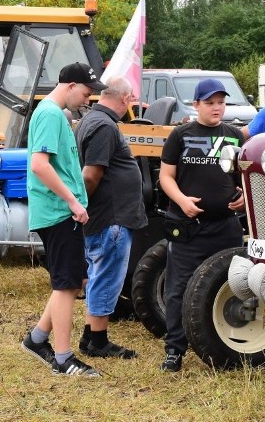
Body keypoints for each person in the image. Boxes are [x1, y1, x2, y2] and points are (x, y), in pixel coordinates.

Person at [21, 61, 107, 377]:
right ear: (70, 85)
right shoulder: (49, 114)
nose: (88, 99)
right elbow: (40, 165)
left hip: (61, 212)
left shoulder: (56, 115)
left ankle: (37, 339)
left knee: (68, 281)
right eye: (86, 93)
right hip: (58, 212)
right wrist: (73, 201)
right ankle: (63, 358)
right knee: (66, 284)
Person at [158, 79, 245, 372]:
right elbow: (165, 177)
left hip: (226, 226)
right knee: (178, 288)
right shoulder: (180, 135)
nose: (216, 107)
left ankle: (231, 344)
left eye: (220, 102)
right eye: (210, 103)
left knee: (233, 284)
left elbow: (244, 178)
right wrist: (182, 200)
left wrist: (244, 196)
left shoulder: (235, 135)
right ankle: (174, 350)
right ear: (196, 105)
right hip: (188, 226)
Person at [74, 76, 147, 359]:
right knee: (107, 278)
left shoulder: (91, 121)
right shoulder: (104, 126)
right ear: (126, 99)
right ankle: (99, 343)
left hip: (105, 215)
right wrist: (81, 205)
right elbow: (91, 175)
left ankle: (89, 335)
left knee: (98, 276)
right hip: (111, 217)